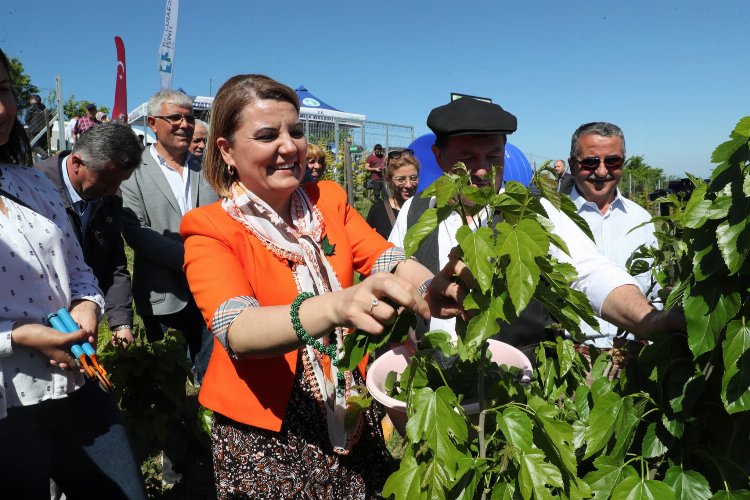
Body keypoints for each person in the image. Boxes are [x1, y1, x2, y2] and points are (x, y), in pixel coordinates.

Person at [180, 74, 462, 497]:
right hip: (269, 428)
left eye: (294, 130)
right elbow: (236, 328)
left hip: (347, 403)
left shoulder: (327, 200)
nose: (289, 145)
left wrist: (429, 288)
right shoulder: (209, 228)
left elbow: (388, 259)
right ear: (226, 150)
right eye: (266, 135)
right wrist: (336, 306)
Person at [389, 97, 684, 346]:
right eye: (467, 159)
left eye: (493, 157)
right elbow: (391, 271)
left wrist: (650, 320)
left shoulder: (532, 210)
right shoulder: (416, 211)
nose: (480, 171)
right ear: (439, 157)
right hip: (436, 378)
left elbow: (590, 272)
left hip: (512, 386)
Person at [0, 47, 146, 498]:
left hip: (76, 378)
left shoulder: (31, 183)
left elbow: (79, 268)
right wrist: (19, 336)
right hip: (11, 398)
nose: (1, 108)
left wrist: (86, 306)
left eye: (4, 90)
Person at [120, 89, 218, 383]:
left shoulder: (207, 168)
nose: (185, 125)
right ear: (152, 123)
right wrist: (193, 259)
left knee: (212, 376)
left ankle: (210, 427)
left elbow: (220, 219)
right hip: (162, 294)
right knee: (169, 383)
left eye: (189, 118)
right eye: (174, 117)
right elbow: (135, 230)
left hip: (209, 291)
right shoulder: (133, 171)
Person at [36, 122, 144, 349]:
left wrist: (121, 323)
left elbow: (115, 262)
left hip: (84, 324)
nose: (113, 191)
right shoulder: (34, 191)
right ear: (77, 163)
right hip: (38, 329)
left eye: (119, 183)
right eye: (106, 181)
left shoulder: (109, 198)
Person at [568, 122, 659, 347]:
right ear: (572, 164)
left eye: (612, 161)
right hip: (577, 361)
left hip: (635, 359)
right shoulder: (556, 218)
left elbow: (655, 290)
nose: (601, 171)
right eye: (590, 162)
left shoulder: (641, 219)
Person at [366, 148, 419, 238]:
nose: (408, 185)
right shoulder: (378, 211)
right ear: (389, 179)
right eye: (401, 179)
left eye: (413, 178)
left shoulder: (426, 207)